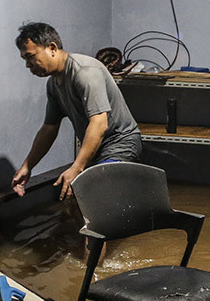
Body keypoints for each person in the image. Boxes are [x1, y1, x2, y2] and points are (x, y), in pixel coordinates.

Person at [12, 22, 141, 200]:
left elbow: (99, 123)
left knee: (101, 194)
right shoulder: (53, 84)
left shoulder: (85, 72)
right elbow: (49, 129)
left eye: (31, 56)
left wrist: (77, 167)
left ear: (52, 48)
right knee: (76, 200)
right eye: (25, 59)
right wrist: (28, 165)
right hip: (96, 149)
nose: (28, 64)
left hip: (120, 144)